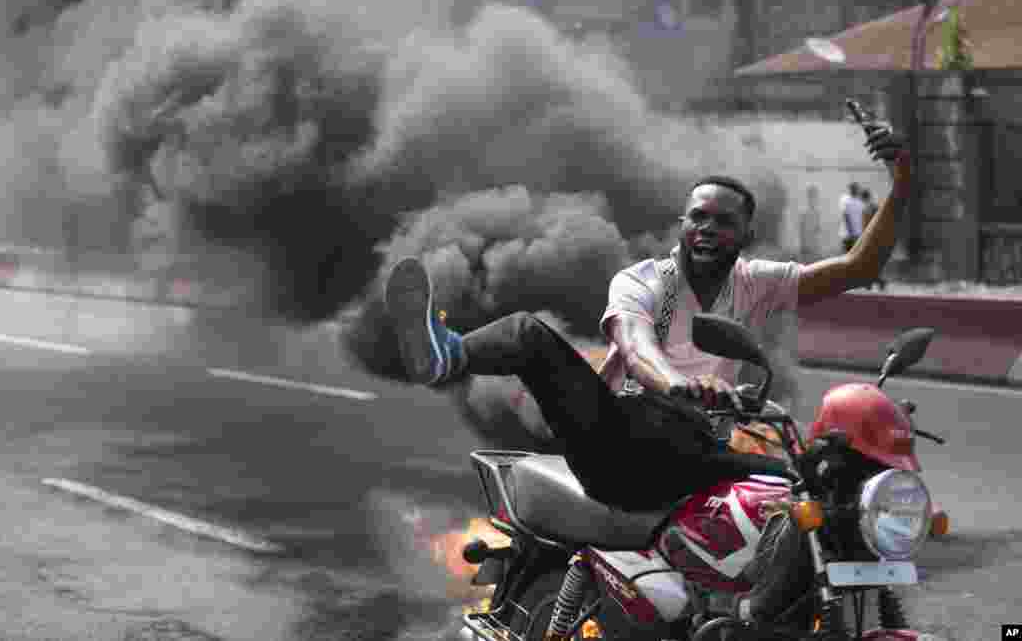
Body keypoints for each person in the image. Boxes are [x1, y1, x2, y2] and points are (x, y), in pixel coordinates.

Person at [385, 123, 910, 512]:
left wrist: (903, 180)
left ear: (744, 238)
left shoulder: (755, 281)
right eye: (698, 218)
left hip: (695, 453)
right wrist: (679, 384)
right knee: (528, 333)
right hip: (616, 439)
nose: (707, 229)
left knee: (806, 488)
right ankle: (447, 353)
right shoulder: (643, 281)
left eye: (723, 222)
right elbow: (637, 351)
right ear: (682, 226)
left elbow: (857, 267)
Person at [860, 188, 887, 290]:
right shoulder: (874, 207)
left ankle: (875, 282)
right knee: (871, 262)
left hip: (871, 239)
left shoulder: (868, 208)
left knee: (870, 261)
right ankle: (872, 282)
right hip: (875, 238)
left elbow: (867, 225)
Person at [840, 182, 866, 253]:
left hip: (858, 235)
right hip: (848, 235)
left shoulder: (860, 202)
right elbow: (845, 216)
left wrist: (863, 232)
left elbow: (863, 217)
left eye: (856, 188)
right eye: (853, 188)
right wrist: (851, 233)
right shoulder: (845, 200)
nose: (855, 190)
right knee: (847, 256)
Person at [799, 185, 823, 263]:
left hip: (814, 247)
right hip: (807, 247)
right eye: (812, 195)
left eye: (815, 196)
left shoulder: (817, 212)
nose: (814, 198)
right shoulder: (804, 212)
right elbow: (801, 230)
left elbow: (818, 229)